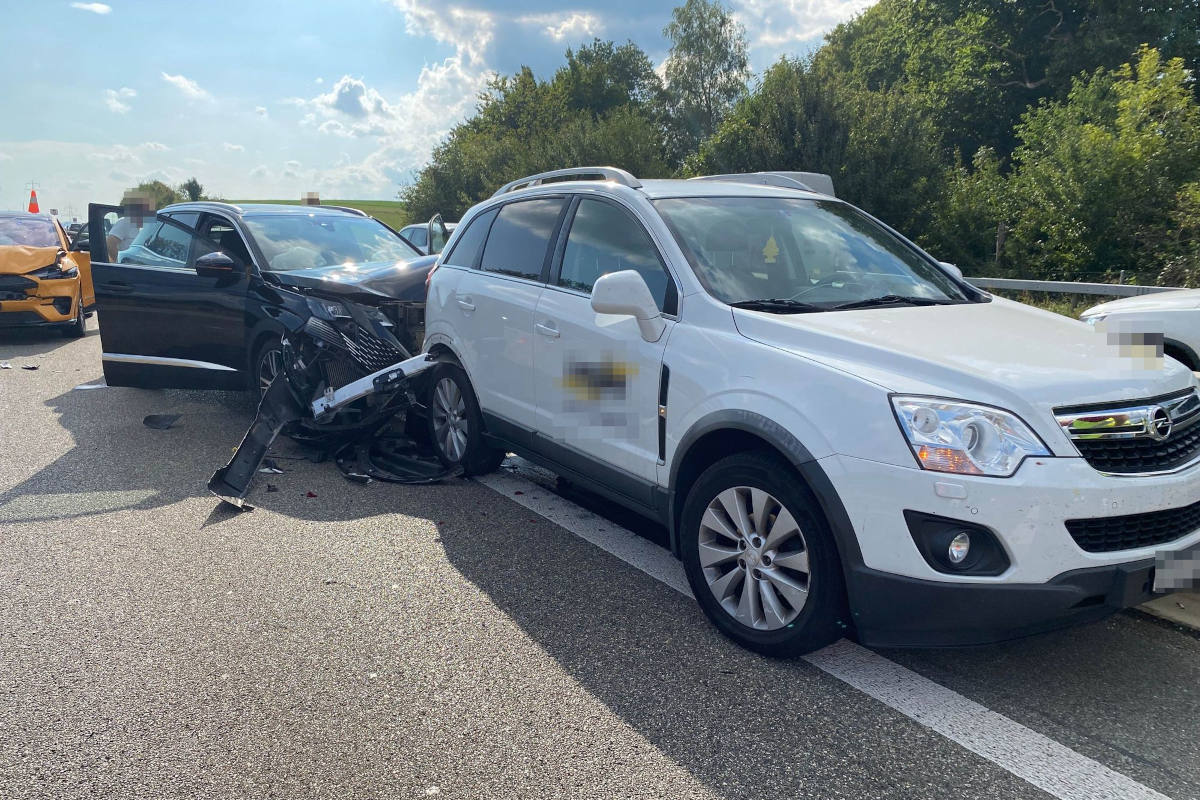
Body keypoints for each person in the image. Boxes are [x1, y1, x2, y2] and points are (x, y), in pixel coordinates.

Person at [105, 191, 151, 262]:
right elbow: (110, 242)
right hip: (124, 267)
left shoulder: (143, 227)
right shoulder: (125, 222)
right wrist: (117, 262)